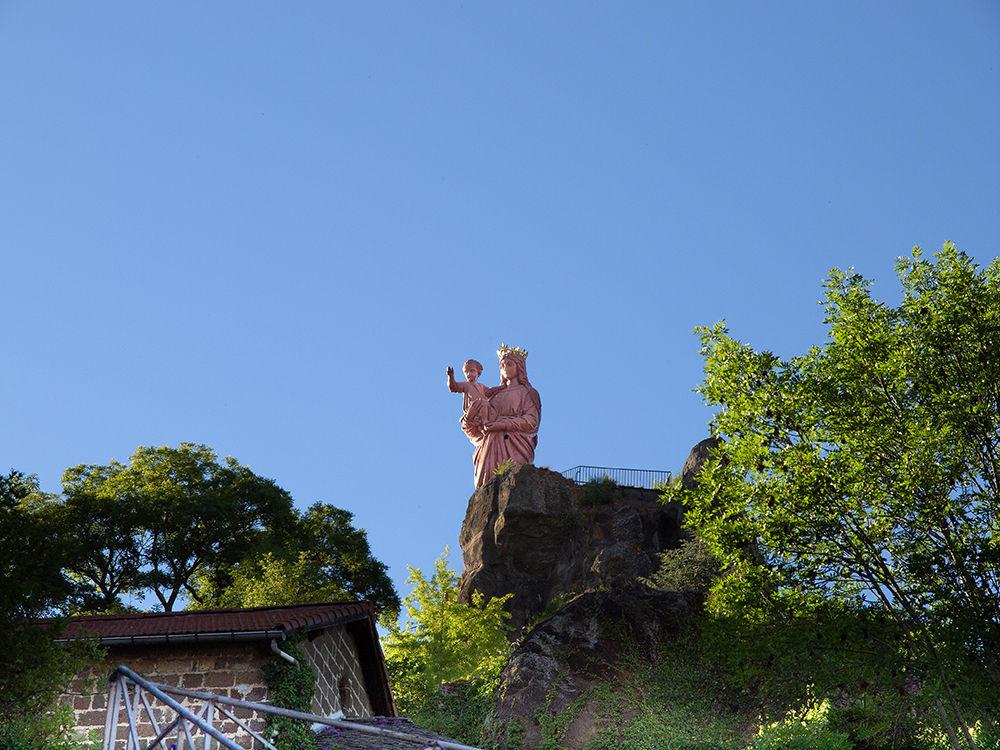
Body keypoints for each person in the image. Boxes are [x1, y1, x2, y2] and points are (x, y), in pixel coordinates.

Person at [464, 345, 541, 488]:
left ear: (520, 368)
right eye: (502, 365)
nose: (505, 368)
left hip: (515, 443)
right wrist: (469, 419)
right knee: (488, 488)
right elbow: (480, 426)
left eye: (510, 364)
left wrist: (502, 425)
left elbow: (531, 420)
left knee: (514, 485)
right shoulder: (493, 396)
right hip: (490, 444)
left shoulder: (528, 392)